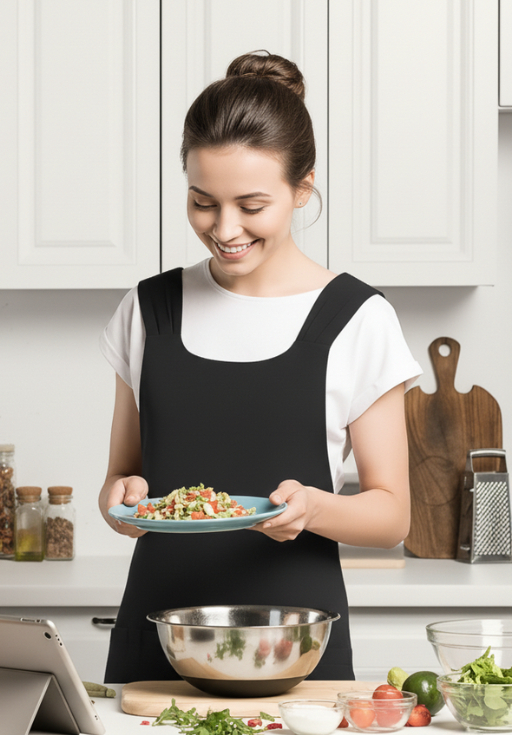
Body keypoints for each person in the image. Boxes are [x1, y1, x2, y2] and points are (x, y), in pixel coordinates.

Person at [97, 51, 422, 683]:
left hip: (295, 646)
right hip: (158, 643)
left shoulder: (357, 317)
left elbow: (392, 516)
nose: (224, 228)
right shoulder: (148, 309)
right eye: (202, 202)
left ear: (303, 189)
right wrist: (120, 502)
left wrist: (313, 510)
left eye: (251, 205)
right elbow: (122, 483)